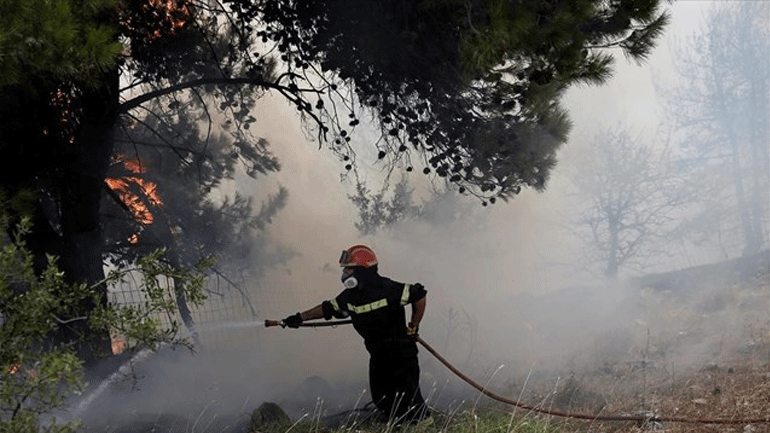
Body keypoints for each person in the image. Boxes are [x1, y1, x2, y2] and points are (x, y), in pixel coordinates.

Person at [281, 244, 429, 424]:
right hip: (378, 354)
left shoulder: (389, 288)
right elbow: (326, 308)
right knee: (381, 395)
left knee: (408, 395)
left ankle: (422, 423)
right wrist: (298, 318)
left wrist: (413, 326)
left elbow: (419, 295)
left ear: (363, 270)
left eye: (349, 269)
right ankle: (397, 423)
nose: (345, 274)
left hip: (401, 353)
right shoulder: (349, 297)